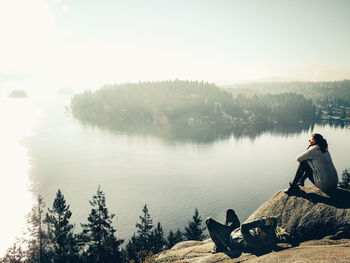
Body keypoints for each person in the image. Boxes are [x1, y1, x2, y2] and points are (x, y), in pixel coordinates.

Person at [205, 209, 277, 255]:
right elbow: (274, 220)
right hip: (236, 230)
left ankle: (220, 246)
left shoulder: (255, 241)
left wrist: (262, 221)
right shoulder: (269, 234)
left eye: (258, 226)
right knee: (230, 211)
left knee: (209, 221)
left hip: (229, 238)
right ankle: (223, 231)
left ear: (259, 229)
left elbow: (243, 227)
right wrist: (270, 220)